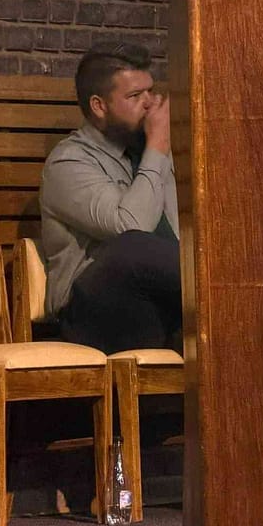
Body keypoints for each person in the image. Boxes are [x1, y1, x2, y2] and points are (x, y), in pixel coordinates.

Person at [39, 42, 181, 355]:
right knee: (131, 246)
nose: (149, 103)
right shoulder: (69, 163)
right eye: (135, 95)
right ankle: (218, 287)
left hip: (161, 302)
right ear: (99, 106)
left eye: (151, 91)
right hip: (91, 314)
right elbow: (132, 226)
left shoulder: (156, 150)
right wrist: (157, 147)